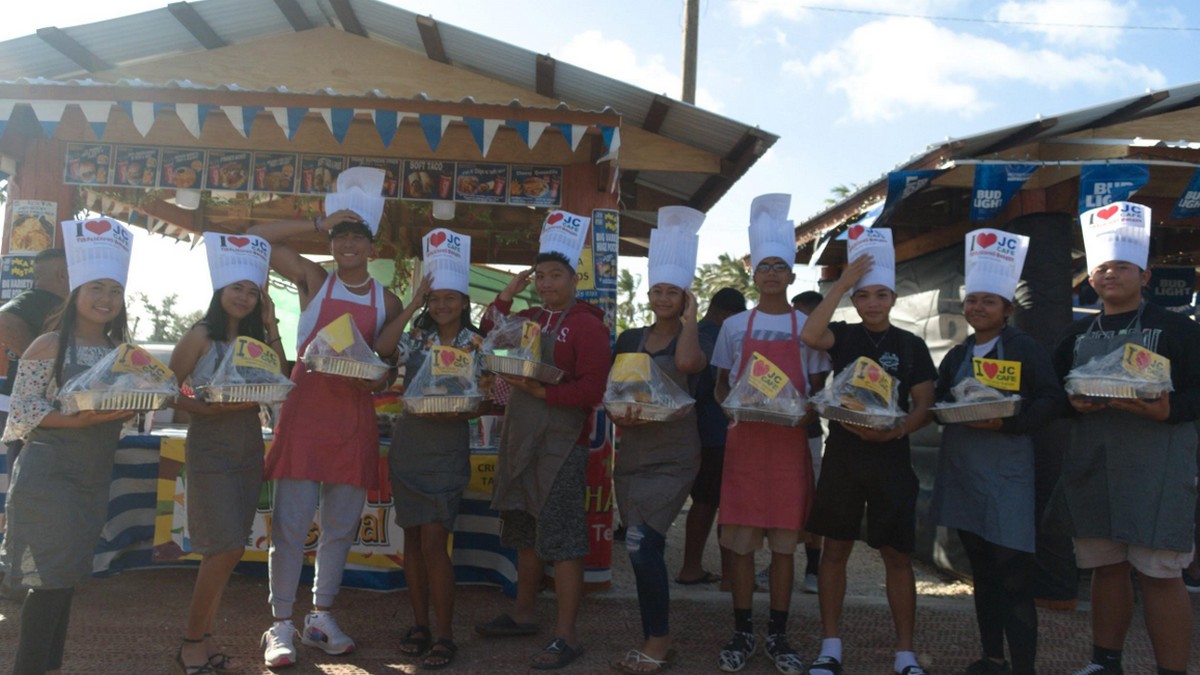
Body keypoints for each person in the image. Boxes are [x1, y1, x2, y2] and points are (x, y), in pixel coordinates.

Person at [248, 167, 403, 668]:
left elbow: (387, 366)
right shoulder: (314, 278)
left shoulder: (389, 300)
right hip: (307, 409)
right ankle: (280, 624)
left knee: (340, 526)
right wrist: (319, 221)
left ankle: (321, 615)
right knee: (290, 525)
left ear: (371, 247)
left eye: (357, 235)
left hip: (354, 416)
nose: (348, 244)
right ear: (333, 244)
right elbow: (254, 239)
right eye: (341, 236)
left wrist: (380, 377)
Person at [1051, 202, 1199, 675]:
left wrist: (1168, 408)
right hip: (1094, 466)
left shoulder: (1178, 330)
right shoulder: (1074, 335)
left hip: (1158, 467)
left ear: (1145, 273)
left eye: (1120, 266)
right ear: (1090, 279)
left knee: (1159, 574)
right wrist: (1070, 403)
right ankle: (1105, 663)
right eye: (1101, 268)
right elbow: (1054, 394)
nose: (1109, 274)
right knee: (1106, 566)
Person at [474, 209, 610, 671]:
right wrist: (509, 291)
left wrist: (541, 391)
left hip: (561, 446)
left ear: (574, 279)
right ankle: (523, 612)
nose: (547, 283)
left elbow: (592, 390)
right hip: (521, 438)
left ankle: (567, 635)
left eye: (556, 276)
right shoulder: (531, 316)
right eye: (540, 277)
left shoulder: (588, 325)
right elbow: (489, 329)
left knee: (565, 540)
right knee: (525, 531)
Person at [800, 227, 937, 675]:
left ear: (894, 298)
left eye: (881, 295)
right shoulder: (843, 335)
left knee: (896, 555)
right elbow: (809, 335)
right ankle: (831, 646)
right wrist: (840, 284)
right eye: (864, 296)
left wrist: (896, 432)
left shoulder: (911, 345)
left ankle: (904, 652)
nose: (873, 303)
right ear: (855, 301)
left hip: (892, 458)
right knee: (834, 549)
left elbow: (923, 405)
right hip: (843, 456)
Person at [929, 228, 1065, 675]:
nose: (977, 308)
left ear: (1007, 309)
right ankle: (991, 658)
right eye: (972, 300)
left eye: (989, 301)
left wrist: (1006, 422)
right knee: (982, 573)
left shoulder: (1025, 349)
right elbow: (941, 403)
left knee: (1014, 577)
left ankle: (1023, 667)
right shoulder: (956, 355)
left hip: (1007, 474)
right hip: (965, 472)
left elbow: (1049, 400)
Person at [4, 217, 135, 673]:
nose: (105, 299)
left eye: (114, 291)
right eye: (96, 287)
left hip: (92, 478)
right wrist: (85, 421)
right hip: (49, 476)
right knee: (50, 583)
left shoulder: (123, 354)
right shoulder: (48, 344)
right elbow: (22, 415)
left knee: (64, 583)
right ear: (76, 291)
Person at [712, 194, 830, 674]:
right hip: (745, 446)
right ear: (753, 275)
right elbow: (722, 382)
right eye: (764, 267)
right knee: (740, 546)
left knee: (784, 546)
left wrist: (808, 413)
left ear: (792, 274)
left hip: (789, 446)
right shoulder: (736, 325)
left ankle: (778, 634)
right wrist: (728, 409)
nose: (772, 274)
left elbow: (820, 388)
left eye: (780, 266)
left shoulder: (810, 327)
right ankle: (742, 629)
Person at [169, 232, 284, 674]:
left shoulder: (256, 341)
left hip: (247, 446)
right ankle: (191, 640)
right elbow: (161, 390)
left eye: (253, 291)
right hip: (210, 445)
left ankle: (205, 637)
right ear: (220, 290)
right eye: (238, 287)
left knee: (232, 550)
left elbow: (282, 378)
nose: (245, 297)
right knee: (223, 547)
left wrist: (272, 322)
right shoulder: (200, 334)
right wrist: (207, 408)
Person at [609, 206, 710, 674]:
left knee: (641, 543)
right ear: (648, 294)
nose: (664, 297)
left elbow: (688, 367)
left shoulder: (692, 337)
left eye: (674, 291)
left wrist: (691, 320)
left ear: (684, 297)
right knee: (636, 541)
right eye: (659, 290)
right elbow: (615, 392)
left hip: (673, 456)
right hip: (632, 450)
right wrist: (621, 414)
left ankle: (659, 637)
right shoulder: (629, 338)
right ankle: (656, 632)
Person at [374, 228, 478, 671]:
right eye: (435, 299)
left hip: (448, 446)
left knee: (436, 539)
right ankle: (419, 624)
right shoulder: (416, 338)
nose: (441, 306)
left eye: (449, 298)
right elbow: (381, 348)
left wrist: (464, 410)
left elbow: (488, 396)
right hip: (410, 443)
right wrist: (413, 302)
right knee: (413, 539)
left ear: (464, 301)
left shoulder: (476, 343)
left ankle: (446, 633)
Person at [0, 247, 68, 597]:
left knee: (27, 496)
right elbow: (4, 321)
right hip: (33, 416)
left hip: (38, 414)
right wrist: (43, 362)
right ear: (62, 275)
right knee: (26, 496)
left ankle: (27, 575)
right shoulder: (39, 300)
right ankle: (17, 577)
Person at [675, 287, 744, 589]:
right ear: (729, 315)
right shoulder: (717, 336)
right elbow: (719, 385)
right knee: (725, 503)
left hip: (696, 431)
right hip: (718, 431)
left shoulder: (693, 333)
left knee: (704, 501)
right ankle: (731, 576)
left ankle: (692, 567)